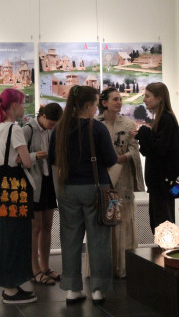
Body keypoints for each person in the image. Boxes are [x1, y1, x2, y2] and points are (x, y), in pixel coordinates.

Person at [48, 85, 117, 305]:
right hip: (95, 189)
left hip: (67, 190)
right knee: (98, 240)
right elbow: (111, 159)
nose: (97, 109)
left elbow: (53, 159)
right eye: (96, 104)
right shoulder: (97, 128)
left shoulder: (60, 129)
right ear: (88, 105)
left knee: (70, 240)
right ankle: (98, 289)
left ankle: (72, 289)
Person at [0, 88, 37, 304]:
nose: (24, 108)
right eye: (23, 103)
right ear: (15, 105)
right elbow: (26, 161)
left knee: (5, 237)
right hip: (15, 191)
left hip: (0, 190)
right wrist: (29, 158)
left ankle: (10, 285)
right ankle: (10, 289)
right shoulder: (14, 129)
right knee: (17, 238)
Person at [98, 87, 145, 278]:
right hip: (102, 177)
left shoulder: (128, 124)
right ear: (104, 103)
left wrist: (123, 157)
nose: (119, 102)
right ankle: (103, 267)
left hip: (123, 178)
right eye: (115, 99)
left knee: (123, 218)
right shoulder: (96, 124)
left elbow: (135, 149)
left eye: (120, 99)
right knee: (103, 219)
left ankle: (124, 266)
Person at [132, 82, 179, 234]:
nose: (144, 100)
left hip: (162, 185)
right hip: (159, 186)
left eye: (147, 96)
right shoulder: (162, 119)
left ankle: (166, 250)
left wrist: (143, 132)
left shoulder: (166, 119)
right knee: (159, 223)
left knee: (163, 224)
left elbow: (158, 150)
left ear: (159, 98)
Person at [22, 103, 63, 286]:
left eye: (55, 125)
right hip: (33, 183)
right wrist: (35, 156)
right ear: (43, 116)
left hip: (48, 181)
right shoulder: (28, 129)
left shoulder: (50, 131)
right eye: (51, 123)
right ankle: (34, 269)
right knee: (35, 228)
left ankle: (45, 267)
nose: (52, 127)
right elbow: (16, 158)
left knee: (47, 226)